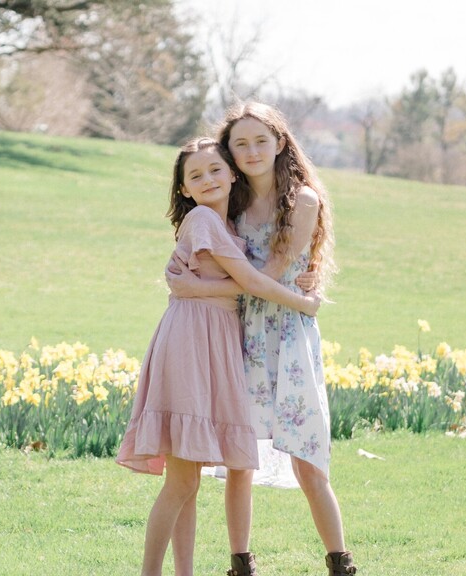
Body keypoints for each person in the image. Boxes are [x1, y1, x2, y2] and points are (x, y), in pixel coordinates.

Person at [116, 136, 322, 576]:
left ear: (232, 174)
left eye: (214, 170)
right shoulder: (204, 222)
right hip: (191, 339)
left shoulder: (224, 227)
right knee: (183, 480)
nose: (207, 179)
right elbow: (251, 281)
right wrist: (303, 301)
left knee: (186, 481)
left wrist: (199, 287)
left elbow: (251, 278)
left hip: (211, 338)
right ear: (184, 190)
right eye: (195, 175)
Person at [167, 102, 357, 576]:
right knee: (239, 459)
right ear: (230, 154)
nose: (251, 151)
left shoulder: (303, 200)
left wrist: (307, 296)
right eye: (240, 143)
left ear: (280, 144)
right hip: (240, 333)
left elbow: (270, 272)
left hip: (289, 334)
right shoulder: (227, 201)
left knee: (307, 459)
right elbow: (199, 255)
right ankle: (241, 564)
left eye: (260, 141)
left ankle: (340, 562)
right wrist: (187, 283)